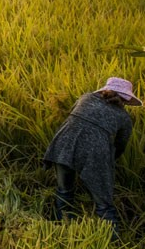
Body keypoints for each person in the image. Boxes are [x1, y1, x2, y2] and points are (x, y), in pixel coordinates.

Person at [43, 77, 139, 239]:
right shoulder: (124, 117)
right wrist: (107, 162)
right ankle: (112, 241)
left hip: (64, 143)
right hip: (95, 152)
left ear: (104, 90)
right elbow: (120, 145)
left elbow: (75, 119)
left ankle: (61, 231)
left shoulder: (85, 98)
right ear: (125, 98)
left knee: (64, 191)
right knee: (103, 204)